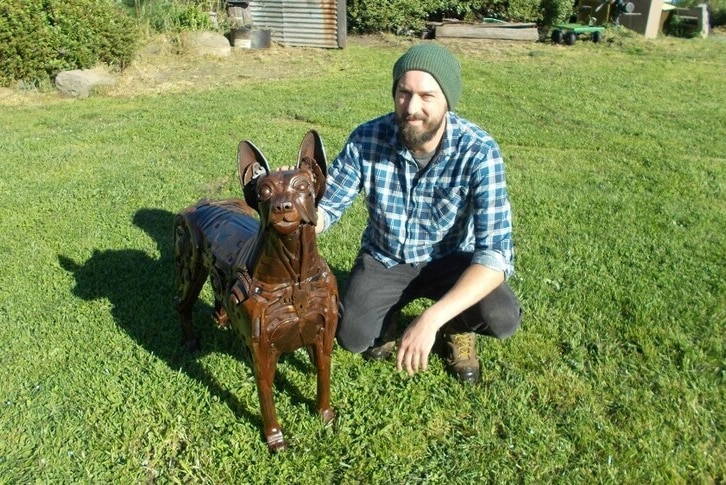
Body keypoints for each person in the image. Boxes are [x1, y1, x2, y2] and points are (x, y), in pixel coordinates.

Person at [315, 43, 522, 383]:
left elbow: (496, 255)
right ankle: (389, 314)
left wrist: (431, 319)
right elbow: (329, 206)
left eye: (427, 96)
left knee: (501, 317)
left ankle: (456, 326)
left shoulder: (479, 151)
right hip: (386, 258)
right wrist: (297, 209)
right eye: (403, 93)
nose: (412, 107)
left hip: (452, 261)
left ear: (447, 100)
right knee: (353, 338)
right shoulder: (366, 139)